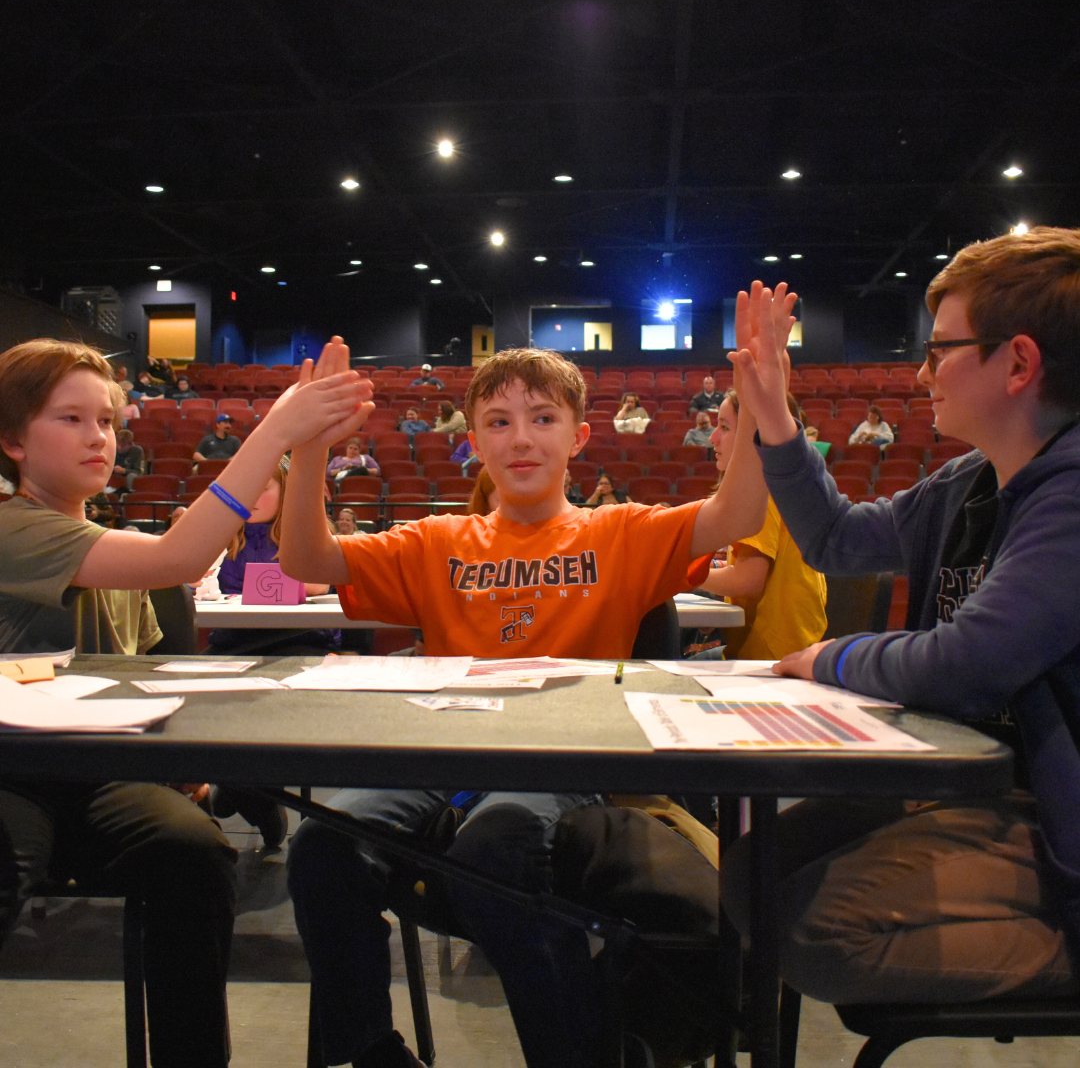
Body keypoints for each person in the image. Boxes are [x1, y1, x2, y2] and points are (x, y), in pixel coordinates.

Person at [277, 300, 792, 1068]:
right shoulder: (438, 539)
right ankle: (374, 1051)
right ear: (473, 441)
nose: (521, 438)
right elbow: (307, 562)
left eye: (543, 419)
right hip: (445, 751)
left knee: (498, 843)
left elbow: (738, 509)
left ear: (579, 437)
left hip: (561, 757)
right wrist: (310, 449)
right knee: (322, 846)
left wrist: (756, 408)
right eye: (498, 422)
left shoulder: (619, 529)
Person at [722, 229, 1080, 1009]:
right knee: (750, 874)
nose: (921, 372)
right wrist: (772, 413)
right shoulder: (968, 482)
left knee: (813, 931)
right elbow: (837, 540)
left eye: (939, 349)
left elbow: (969, 662)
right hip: (967, 780)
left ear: (1019, 363)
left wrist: (831, 656)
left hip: (1051, 815)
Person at [0, 336, 367, 1066]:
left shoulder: (106, 540)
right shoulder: (10, 526)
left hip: (102, 773)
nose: (98, 437)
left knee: (194, 852)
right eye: (69, 420)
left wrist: (180, 752)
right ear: (12, 440)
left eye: (105, 421)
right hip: (14, 770)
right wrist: (276, 431)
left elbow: (151, 675)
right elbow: (182, 556)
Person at [696, 390, 826, 660]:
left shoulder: (760, 490)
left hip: (769, 659)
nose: (712, 438)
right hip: (792, 647)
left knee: (669, 662)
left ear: (752, 435)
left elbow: (748, 581)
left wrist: (684, 575)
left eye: (724, 427)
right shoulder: (786, 485)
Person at [208, 458, 338, 657]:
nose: (249, 497)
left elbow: (319, 585)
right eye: (244, 488)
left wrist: (264, 587)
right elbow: (198, 583)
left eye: (261, 488)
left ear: (287, 492)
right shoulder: (221, 535)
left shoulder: (308, 533)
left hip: (299, 637)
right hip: (233, 639)